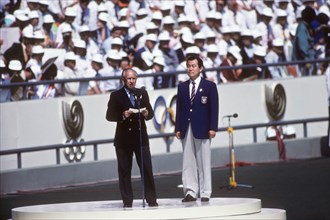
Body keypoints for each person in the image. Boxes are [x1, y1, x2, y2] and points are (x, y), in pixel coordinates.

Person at [105, 68, 158, 208]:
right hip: (123, 139)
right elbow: (109, 115)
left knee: (146, 169)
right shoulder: (116, 95)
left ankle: (151, 199)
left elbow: (151, 113)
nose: (132, 81)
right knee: (124, 170)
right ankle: (127, 201)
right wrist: (123, 115)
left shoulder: (142, 93)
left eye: (134, 78)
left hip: (140, 137)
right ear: (123, 80)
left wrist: (146, 113)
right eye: (129, 79)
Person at [175, 55, 219, 203]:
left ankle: (206, 191)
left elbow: (214, 109)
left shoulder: (209, 86)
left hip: (203, 128)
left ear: (200, 68)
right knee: (188, 161)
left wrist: (213, 127)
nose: (191, 69)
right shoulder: (182, 87)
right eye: (188, 66)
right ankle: (190, 191)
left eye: (193, 66)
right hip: (186, 127)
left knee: (204, 161)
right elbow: (179, 109)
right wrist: (178, 128)